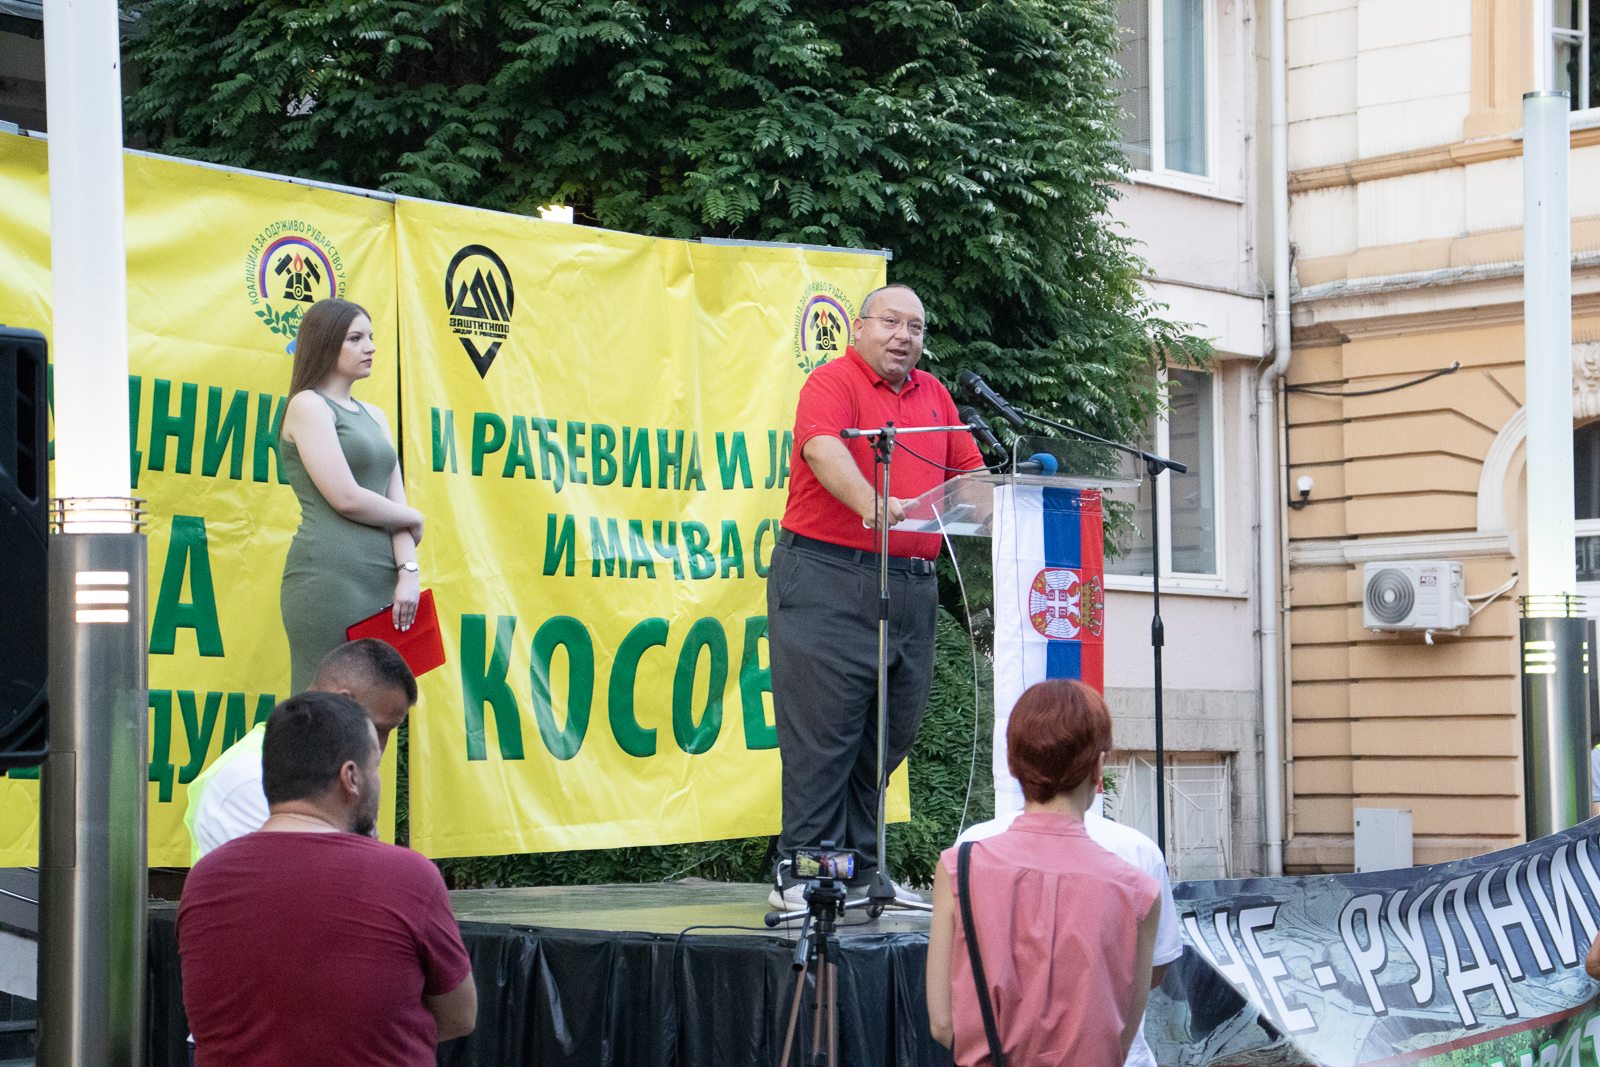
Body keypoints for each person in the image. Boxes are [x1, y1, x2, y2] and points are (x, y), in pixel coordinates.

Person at [768, 283, 985, 909]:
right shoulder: (832, 383)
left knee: (886, 739)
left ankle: (861, 872)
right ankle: (805, 873)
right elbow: (822, 448)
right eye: (891, 322)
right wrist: (874, 505)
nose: (903, 336)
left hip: (911, 590)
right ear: (858, 328)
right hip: (828, 582)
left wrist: (1000, 509)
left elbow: (969, 473)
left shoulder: (936, 395)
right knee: (824, 741)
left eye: (915, 327)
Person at [178, 691, 475, 1065]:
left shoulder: (205, 879)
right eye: (375, 766)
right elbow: (460, 1016)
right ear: (351, 777)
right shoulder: (408, 877)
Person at [927, 679, 1162, 1066]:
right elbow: (1120, 1042)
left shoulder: (958, 869)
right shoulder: (1139, 892)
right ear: (1097, 767)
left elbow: (942, 1024)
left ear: (1014, 761)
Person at [956, 786, 1182, 1067]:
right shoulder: (1136, 849)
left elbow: (947, 1012)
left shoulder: (973, 846)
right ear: (1094, 766)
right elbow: (1154, 968)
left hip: (1005, 1054)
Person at [279, 297, 424, 696]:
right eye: (356, 338)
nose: (371, 347)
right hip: (329, 580)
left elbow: (395, 506)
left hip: (384, 586)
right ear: (326, 345)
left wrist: (408, 574)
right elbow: (345, 496)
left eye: (371, 337)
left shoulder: (375, 415)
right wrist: (412, 517)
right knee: (327, 709)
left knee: (377, 711)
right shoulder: (307, 405)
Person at [183, 638, 417, 862]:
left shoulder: (322, 768)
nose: (382, 747)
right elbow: (320, 882)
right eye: (379, 728)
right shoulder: (246, 779)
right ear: (344, 702)